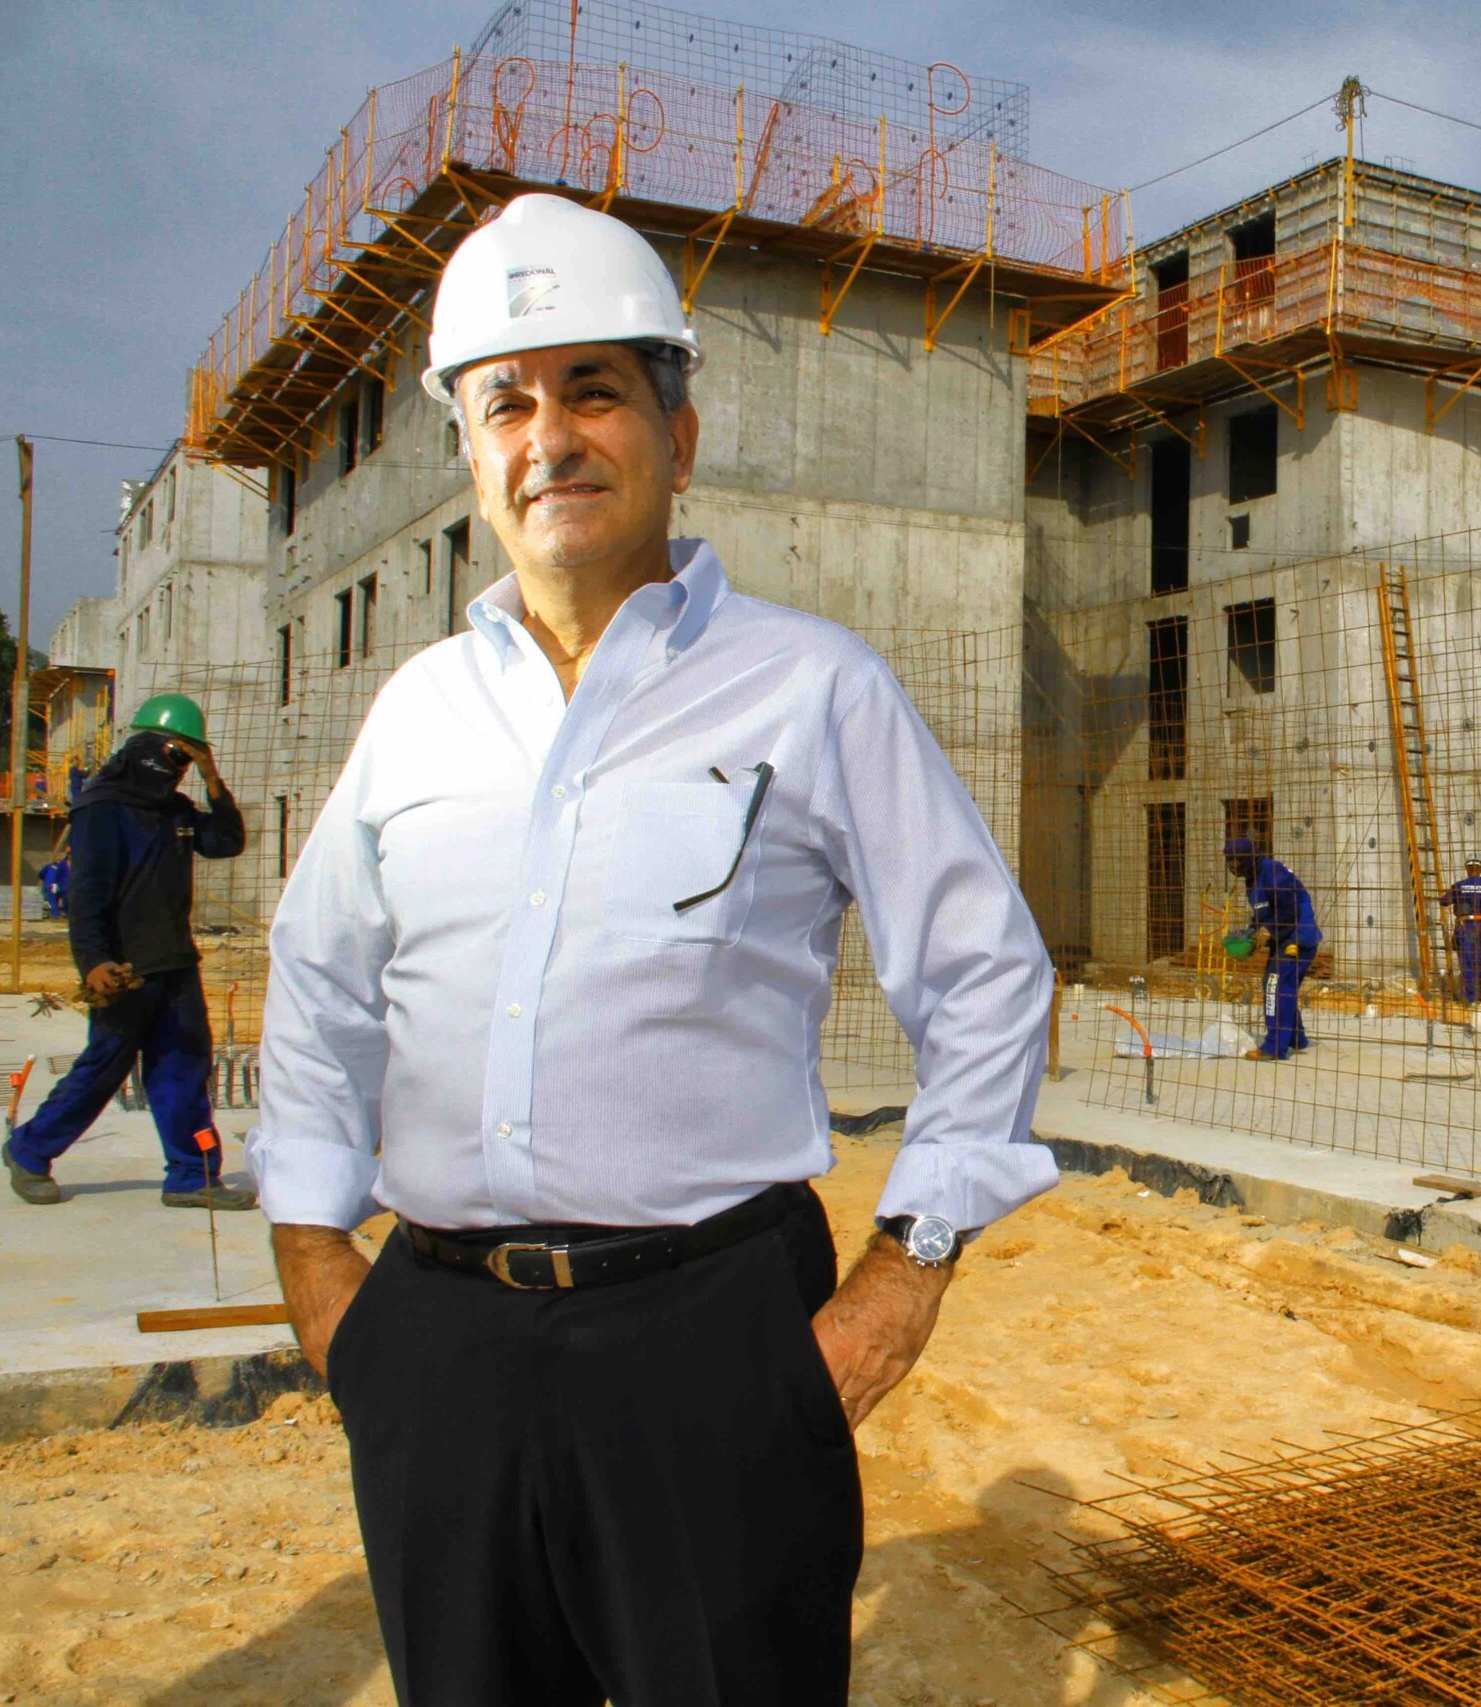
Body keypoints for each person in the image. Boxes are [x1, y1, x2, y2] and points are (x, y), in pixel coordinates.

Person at [249, 193, 1054, 1705]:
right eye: (506, 402)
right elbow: (321, 981)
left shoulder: (812, 688)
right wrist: (315, 1258)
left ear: (678, 438)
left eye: (593, 389)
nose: (548, 434)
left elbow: (987, 973)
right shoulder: (417, 710)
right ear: (474, 456)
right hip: (433, 1347)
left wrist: (905, 1270)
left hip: (713, 1348)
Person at [1, 696, 249, 1210]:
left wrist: (212, 777)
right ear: (142, 750)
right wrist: (92, 961)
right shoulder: (101, 808)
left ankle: (191, 1175)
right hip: (124, 969)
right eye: (173, 754)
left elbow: (225, 841)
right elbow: (86, 894)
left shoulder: (176, 812)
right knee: (103, 1069)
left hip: (175, 963)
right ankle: (28, 1151)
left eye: (186, 758)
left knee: (182, 1066)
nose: (175, 767)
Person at [1226, 835, 1320, 1059]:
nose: (1232, 867)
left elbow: (1290, 910)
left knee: (1274, 987)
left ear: (1248, 859)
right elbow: (1263, 912)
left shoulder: (1274, 873)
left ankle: (1274, 1047)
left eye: (1236, 862)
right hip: (1284, 939)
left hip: (1297, 940)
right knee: (1282, 987)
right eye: (1229, 862)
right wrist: (1251, 934)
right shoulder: (1252, 878)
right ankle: (1296, 1037)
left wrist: (1268, 932)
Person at [1444, 857, 1481, 1005]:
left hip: (1466, 928)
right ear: (1480, 869)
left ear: (1467, 869)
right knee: (1478, 961)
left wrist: (1459, 900)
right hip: (1480, 927)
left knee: (1467, 961)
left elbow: (1444, 901)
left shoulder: (1459, 885)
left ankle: (1470, 998)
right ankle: (1479, 996)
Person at [39, 847, 69, 921]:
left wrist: (45, 880)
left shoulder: (50, 866)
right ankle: (61, 914)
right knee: (62, 899)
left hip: (52, 885)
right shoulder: (63, 866)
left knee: (53, 900)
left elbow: (41, 874)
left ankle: (56, 915)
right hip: (60, 886)